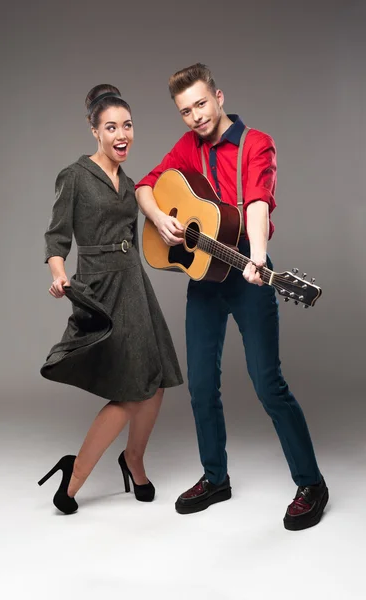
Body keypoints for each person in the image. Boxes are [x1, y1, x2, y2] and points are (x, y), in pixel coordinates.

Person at [135, 63, 328, 531]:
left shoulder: (255, 144)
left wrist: (258, 257)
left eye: (201, 104)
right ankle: (215, 477)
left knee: (268, 384)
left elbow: (258, 201)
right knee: (201, 385)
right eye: (185, 111)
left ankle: (311, 484)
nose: (196, 116)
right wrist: (161, 218)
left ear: (218, 97)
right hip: (204, 276)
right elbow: (144, 186)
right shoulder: (187, 147)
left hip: (246, 266)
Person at [38, 85, 183, 515]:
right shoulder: (76, 176)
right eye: (111, 127)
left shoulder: (131, 184)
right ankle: (75, 477)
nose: (122, 134)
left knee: (156, 383)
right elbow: (56, 237)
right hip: (101, 288)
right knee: (129, 390)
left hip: (135, 283)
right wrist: (60, 276)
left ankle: (133, 460)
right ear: (95, 131)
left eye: (128, 125)